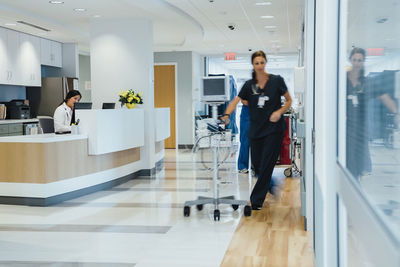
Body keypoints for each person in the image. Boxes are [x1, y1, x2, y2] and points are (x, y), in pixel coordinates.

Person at [221, 51, 292, 210]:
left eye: (262, 62)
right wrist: (226, 114)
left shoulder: (277, 81)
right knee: (258, 167)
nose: (259, 66)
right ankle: (272, 184)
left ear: (265, 63)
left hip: (274, 130)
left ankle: (256, 201)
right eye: (256, 63)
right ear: (253, 65)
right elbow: (235, 101)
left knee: (266, 164)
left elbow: (288, 100)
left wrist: (279, 112)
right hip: (257, 129)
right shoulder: (249, 85)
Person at [238, 104, 250, 173]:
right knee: (245, 141)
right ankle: (242, 166)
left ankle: (257, 165)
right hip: (247, 114)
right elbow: (244, 101)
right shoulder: (245, 92)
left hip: (259, 113)